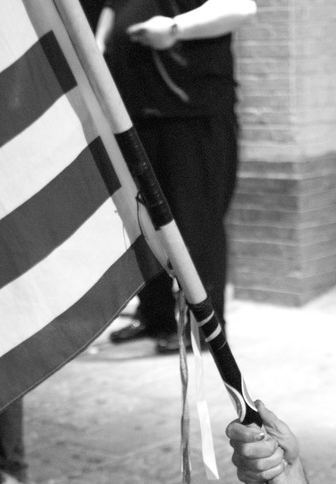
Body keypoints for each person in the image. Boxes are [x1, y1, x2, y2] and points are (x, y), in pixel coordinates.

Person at [103, 0, 254, 355]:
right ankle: (156, 316)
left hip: (190, 113)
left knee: (195, 223)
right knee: (143, 223)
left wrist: (174, 29)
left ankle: (205, 329)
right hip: (134, 112)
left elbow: (242, 7)